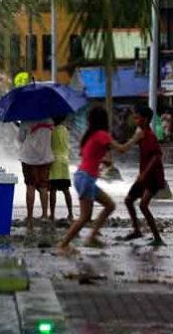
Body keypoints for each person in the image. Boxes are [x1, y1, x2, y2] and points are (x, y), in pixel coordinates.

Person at [57, 105, 130, 255]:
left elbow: (87, 156)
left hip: (82, 177)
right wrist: (137, 136)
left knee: (109, 205)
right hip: (86, 179)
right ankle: (63, 245)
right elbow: (122, 149)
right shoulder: (102, 134)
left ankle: (92, 236)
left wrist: (102, 161)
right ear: (104, 120)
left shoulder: (90, 135)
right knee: (85, 217)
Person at [121, 105, 166, 245]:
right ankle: (137, 230)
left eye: (137, 117)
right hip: (143, 176)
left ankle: (158, 238)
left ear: (145, 120)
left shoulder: (151, 136)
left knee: (143, 205)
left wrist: (144, 173)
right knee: (128, 200)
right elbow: (128, 145)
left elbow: (156, 156)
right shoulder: (141, 134)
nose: (135, 120)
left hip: (153, 176)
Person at [18, 118, 54, 231]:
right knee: (44, 187)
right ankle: (44, 215)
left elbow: (20, 139)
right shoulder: (50, 120)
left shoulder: (26, 120)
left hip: (29, 158)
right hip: (45, 157)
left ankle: (30, 217)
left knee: (30, 186)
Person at [49, 116, 74, 222]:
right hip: (65, 161)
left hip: (55, 161)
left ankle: (52, 214)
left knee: (53, 190)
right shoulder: (65, 130)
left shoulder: (51, 130)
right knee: (66, 190)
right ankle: (70, 213)